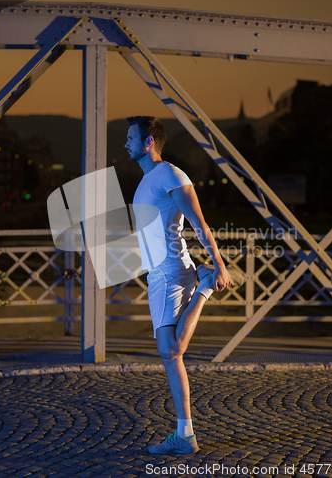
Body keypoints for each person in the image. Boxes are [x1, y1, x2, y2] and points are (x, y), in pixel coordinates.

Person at [125, 116, 244, 454]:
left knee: (170, 350)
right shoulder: (146, 181)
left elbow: (200, 224)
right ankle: (185, 435)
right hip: (157, 274)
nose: (126, 143)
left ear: (149, 142)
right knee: (169, 355)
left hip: (173, 270)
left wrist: (218, 265)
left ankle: (205, 285)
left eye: (131, 138)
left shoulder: (171, 175)